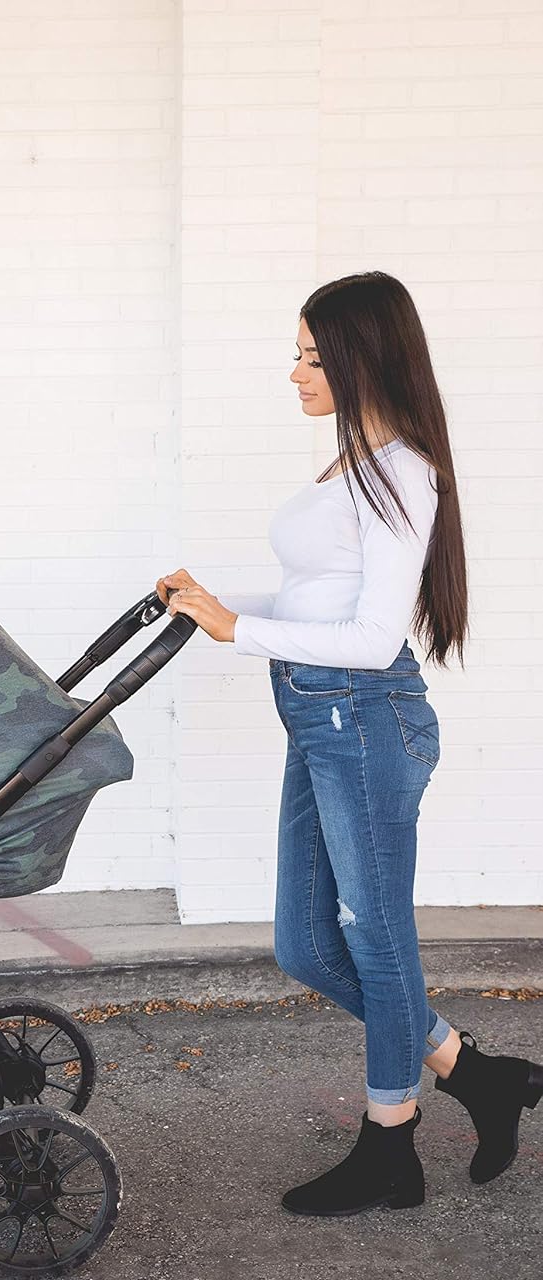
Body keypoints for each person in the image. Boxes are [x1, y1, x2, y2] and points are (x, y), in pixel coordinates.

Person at [155, 270, 542, 1218]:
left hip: (363, 718)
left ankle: (389, 1145)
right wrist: (216, 602)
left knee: (375, 943)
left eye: (311, 356)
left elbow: (371, 641)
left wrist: (234, 633)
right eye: (296, 352)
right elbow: (314, 599)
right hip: (318, 716)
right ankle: (475, 1075)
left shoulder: (400, 471)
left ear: (362, 359)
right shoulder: (348, 466)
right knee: (304, 944)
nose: (293, 372)